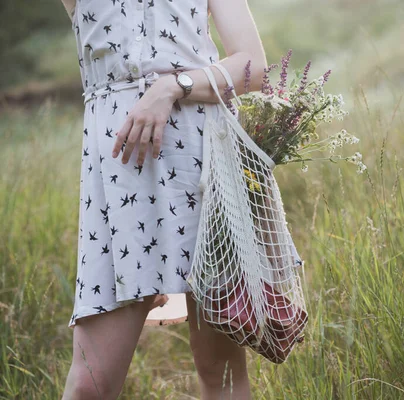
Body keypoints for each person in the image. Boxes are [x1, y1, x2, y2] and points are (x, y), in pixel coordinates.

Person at [59, 0, 267, 398]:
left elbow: (254, 66)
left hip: (204, 161)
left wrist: (172, 86)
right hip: (119, 175)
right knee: (90, 384)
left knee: (218, 368)